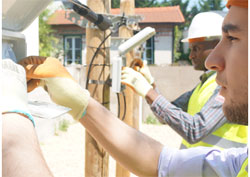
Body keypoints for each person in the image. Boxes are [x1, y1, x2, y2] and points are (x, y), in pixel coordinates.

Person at [2, 0, 248, 176]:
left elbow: (194, 128)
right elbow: (164, 163)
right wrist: (79, 102)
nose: (209, 61)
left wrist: (13, 118)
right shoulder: (241, 161)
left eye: (233, 39)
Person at [121, 10, 247, 149]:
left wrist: (148, 91)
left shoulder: (228, 88)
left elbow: (195, 130)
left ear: (217, 46)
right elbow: (164, 116)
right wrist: (150, 82)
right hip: (200, 170)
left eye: (196, 49)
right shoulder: (203, 86)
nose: (191, 55)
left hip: (222, 171)